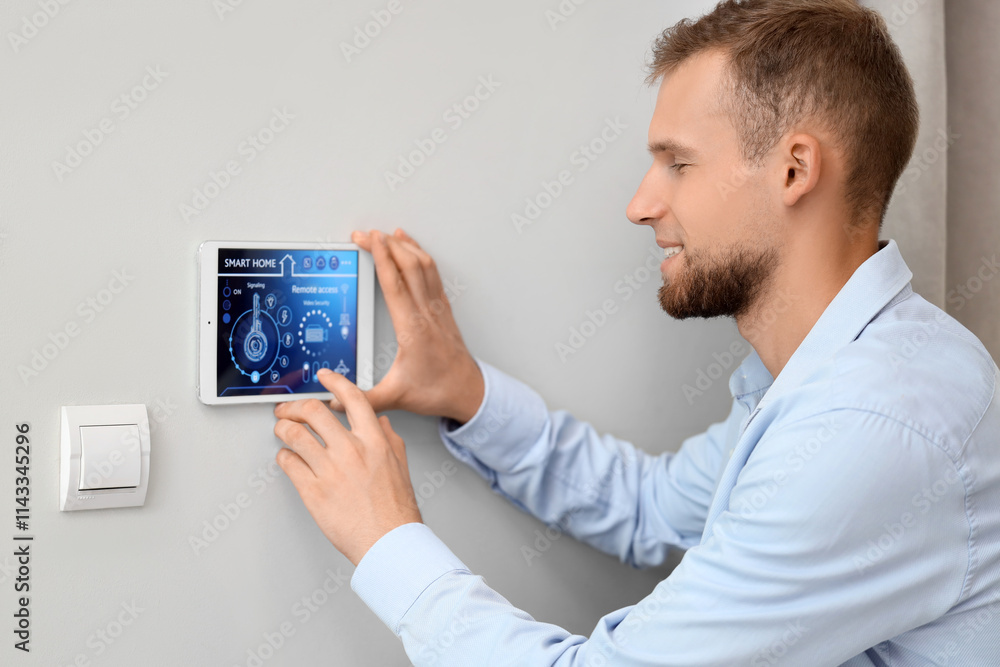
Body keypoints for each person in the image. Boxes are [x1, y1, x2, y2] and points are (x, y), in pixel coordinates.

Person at [271, 0, 1000, 664]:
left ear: (794, 169)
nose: (640, 204)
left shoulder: (873, 425)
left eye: (677, 163)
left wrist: (387, 539)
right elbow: (650, 505)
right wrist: (468, 392)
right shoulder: (835, 372)